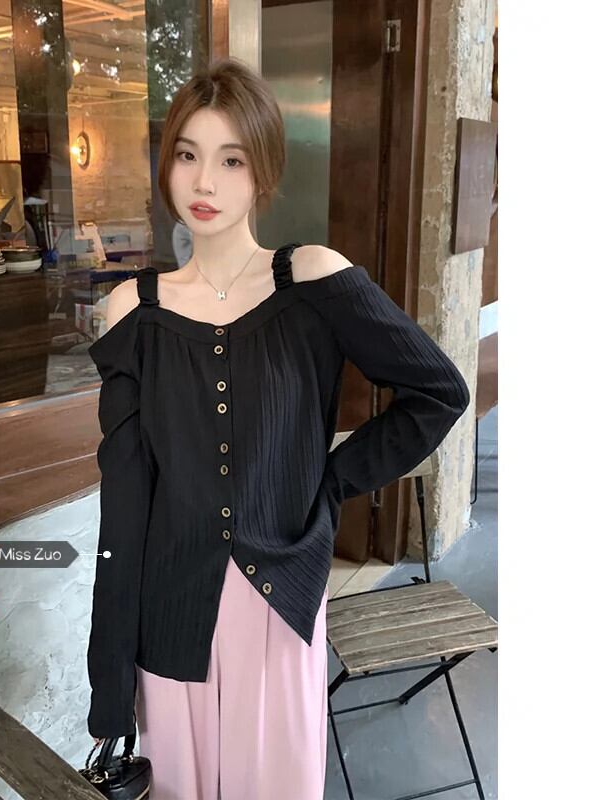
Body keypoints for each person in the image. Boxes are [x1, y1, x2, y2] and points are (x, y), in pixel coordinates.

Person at [86, 58, 470, 799]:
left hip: (277, 600)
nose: (205, 182)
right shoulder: (133, 311)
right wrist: (109, 683)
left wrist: (328, 482)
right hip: (171, 613)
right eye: (188, 155)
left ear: (263, 170)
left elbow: (437, 392)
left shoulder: (313, 280)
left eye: (231, 160)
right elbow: (125, 502)